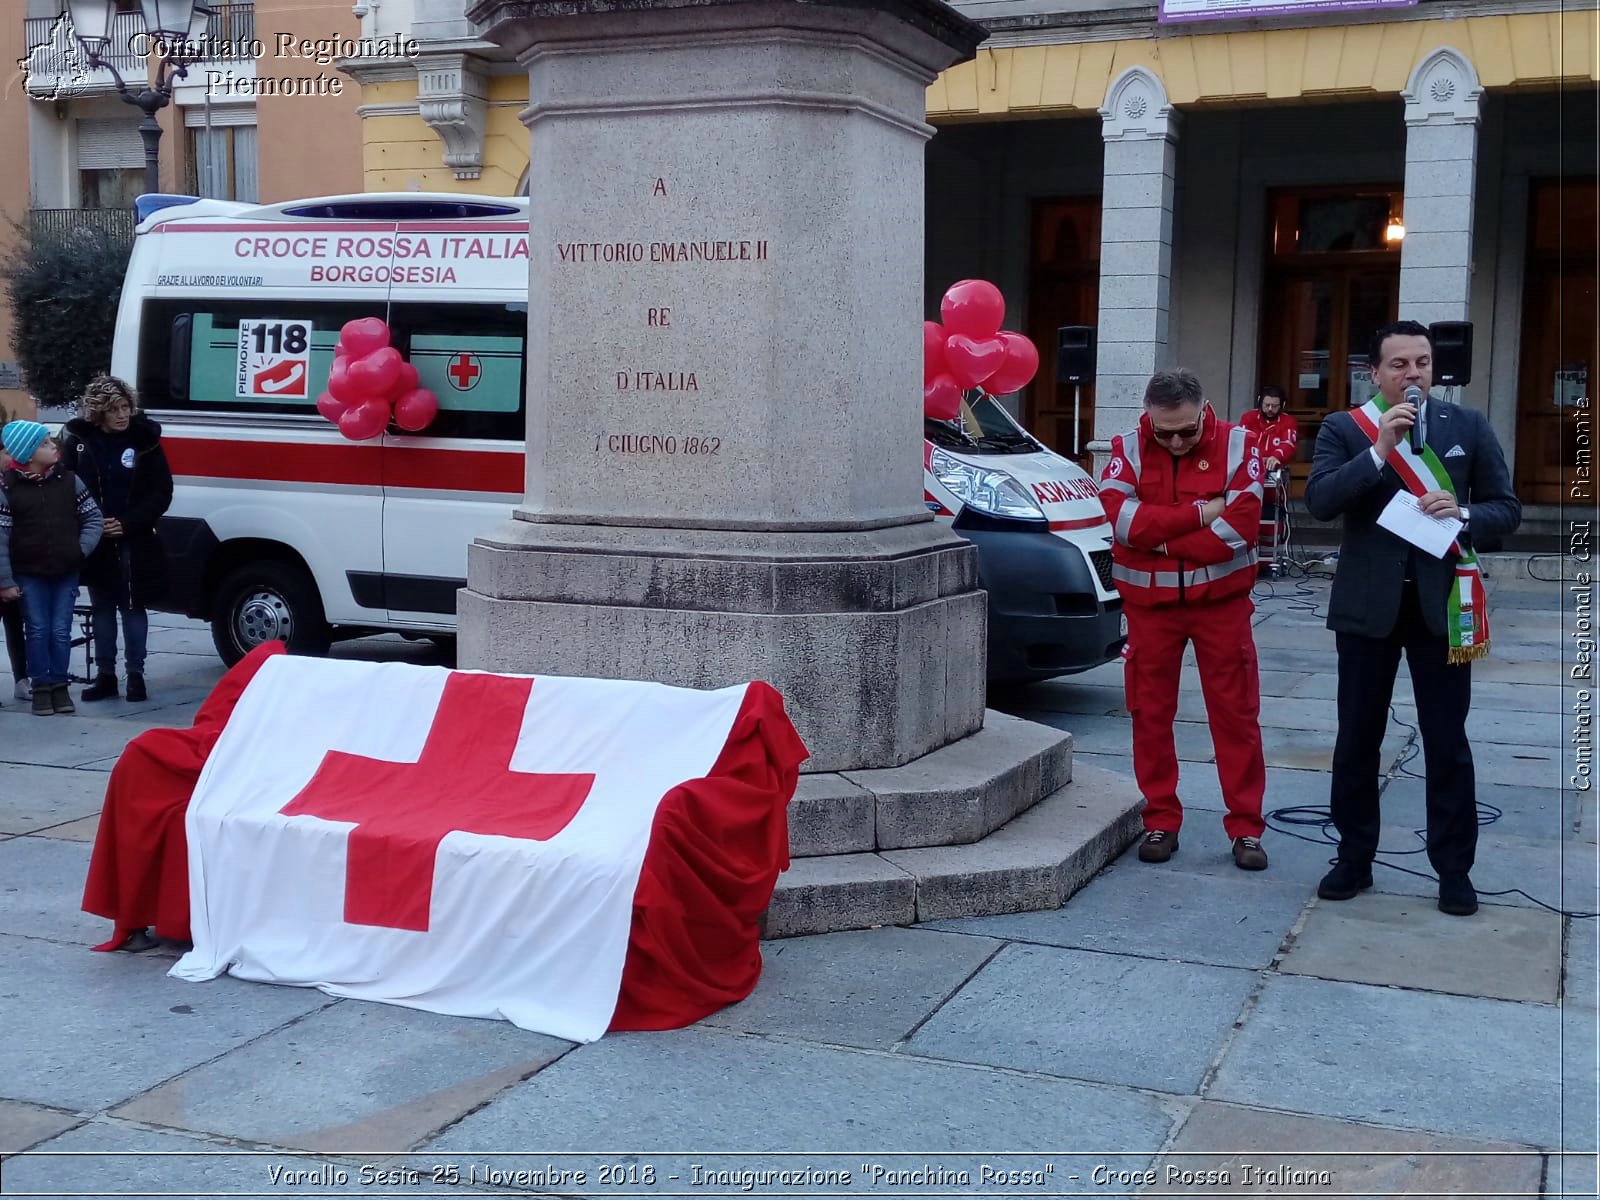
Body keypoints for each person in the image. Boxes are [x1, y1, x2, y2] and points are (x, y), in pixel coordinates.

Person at [1306, 320, 1521, 917]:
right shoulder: (1345, 428)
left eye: (1422, 363)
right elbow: (1320, 502)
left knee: (1447, 743)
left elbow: (1508, 510)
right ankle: (1354, 857)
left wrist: (1466, 510)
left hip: (1441, 608)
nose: (1413, 375)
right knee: (1357, 739)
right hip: (1367, 610)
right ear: (1374, 373)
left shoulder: (1467, 426)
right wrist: (1378, 451)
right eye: (1399, 365)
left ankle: (1454, 870)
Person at [1098, 368, 1270, 871]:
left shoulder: (1240, 446)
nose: (1174, 441)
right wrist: (1198, 515)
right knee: (1149, 715)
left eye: (1186, 431)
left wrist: (1156, 537)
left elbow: (1238, 532)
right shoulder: (1128, 447)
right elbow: (1118, 518)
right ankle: (1160, 819)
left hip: (1222, 608)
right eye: (1163, 432)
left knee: (1236, 716)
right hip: (1151, 612)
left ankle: (1246, 827)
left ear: (1204, 410)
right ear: (1148, 418)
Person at [59, 376, 173, 703]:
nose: (122, 415)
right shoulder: (80, 441)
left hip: (134, 538)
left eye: (125, 407)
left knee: (133, 605)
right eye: (113, 410)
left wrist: (127, 523)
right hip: (95, 538)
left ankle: (135, 675)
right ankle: (105, 675)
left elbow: (161, 491)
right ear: (99, 413)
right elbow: (69, 487)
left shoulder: (145, 441)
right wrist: (92, 524)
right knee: (102, 606)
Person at [0, 419, 104, 715]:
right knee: (37, 629)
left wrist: (79, 551)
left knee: (60, 630)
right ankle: (41, 687)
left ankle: (60, 685)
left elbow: (93, 518)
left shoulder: (70, 481)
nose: (53, 446)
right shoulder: (8, 488)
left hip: (65, 569)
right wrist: (6, 580)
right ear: (29, 453)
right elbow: (2, 537)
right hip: (29, 572)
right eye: (45, 443)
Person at [1240, 384, 1300, 472]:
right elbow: (1240, 441)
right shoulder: (1248, 418)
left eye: (1275, 406)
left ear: (1282, 405)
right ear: (1260, 402)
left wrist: (1276, 456)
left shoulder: (1288, 421)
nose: (1270, 409)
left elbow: (1288, 443)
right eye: (1267, 405)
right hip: (1250, 466)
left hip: (1276, 468)